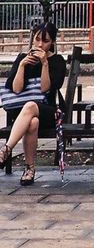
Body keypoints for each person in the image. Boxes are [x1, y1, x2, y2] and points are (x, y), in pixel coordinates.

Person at [0, 23, 66, 185]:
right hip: (24, 114)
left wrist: (44, 64)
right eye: (37, 40)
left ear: (52, 43)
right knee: (32, 122)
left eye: (45, 41)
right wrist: (22, 65)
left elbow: (45, 89)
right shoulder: (22, 59)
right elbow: (16, 89)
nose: (40, 45)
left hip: (48, 111)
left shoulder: (57, 61)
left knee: (30, 106)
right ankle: (29, 169)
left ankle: (5, 150)